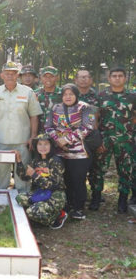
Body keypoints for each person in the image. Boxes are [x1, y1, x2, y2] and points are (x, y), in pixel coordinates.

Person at [0, 61, 43, 191]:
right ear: (2, 75)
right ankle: (1, 203)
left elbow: (34, 116)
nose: (10, 76)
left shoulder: (28, 92)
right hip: (1, 141)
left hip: (22, 141)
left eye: (13, 73)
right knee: (1, 176)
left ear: (18, 75)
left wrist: (33, 136)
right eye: (7, 73)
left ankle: (22, 202)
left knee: (22, 177)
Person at [45, 83, 95, 220]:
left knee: (78, 180)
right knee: (64, 180)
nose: (68, 97)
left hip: (79, 152)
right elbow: (48, 126)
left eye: (71, 94)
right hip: (60, 152)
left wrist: (67, 139)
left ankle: (78, 208)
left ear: (76, 95)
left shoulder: (85, 107)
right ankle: (66, 206)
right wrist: (57, 140)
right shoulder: (55, 108)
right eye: (65, 94)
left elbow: (87, 127)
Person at [93, 67, 135, 213]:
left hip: (126, 141)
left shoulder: (132, 96)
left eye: (120, 76)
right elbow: (96, 118)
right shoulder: (101, 96)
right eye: (114, 76)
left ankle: (122, 200)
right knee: (99, 169)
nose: (117, 78)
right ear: (109, 79)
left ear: (125, 78)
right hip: (105, 140)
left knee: (125, 171)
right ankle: (96, 197)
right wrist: (97, 138)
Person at [15, 134, 67, 229]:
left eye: (46, 144)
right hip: (40, 193)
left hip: (55, 195)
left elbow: (53, 185)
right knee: (20, 198)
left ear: (51, 146)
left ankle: (58, 217)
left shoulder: (56, 161)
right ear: (36, 146)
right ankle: (39, 210)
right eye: (40, 144)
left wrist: (35, 175)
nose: (42, 147)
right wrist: (18, 161)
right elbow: (24, 177)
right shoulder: (36, 161)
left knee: (31, 211)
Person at [74, 69, 101, 210]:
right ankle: (77, 198)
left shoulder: (97, 96)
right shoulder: (70, 94)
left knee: (95, 168)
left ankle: (96, 198)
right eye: (81, 77)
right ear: (76, 80)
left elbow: (96, 119)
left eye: (87, 77)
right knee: (77, 170)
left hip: (91, 138)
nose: (84, 80)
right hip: (73, 138)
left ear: (91, 80)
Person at [35, 66, 62, 133]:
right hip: (39, 131)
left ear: (57, 78)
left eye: (51, 76)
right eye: (45, 76)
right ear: (41, 78)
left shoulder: (63, 94)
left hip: (58, 132)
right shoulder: (34, 93)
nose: (48, 79)